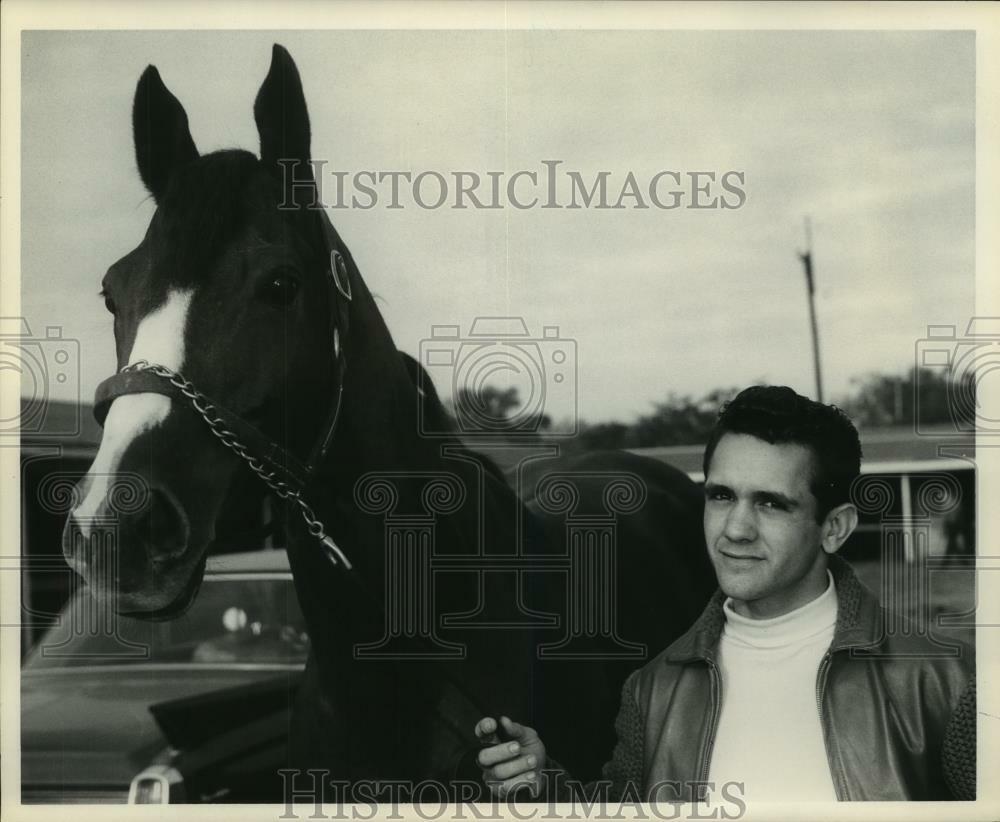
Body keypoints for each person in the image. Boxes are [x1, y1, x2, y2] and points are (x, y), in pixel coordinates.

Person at [475, 386, 976, 803]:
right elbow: (620, 812)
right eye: (721, 496)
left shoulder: (949, 683)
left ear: (836, 527)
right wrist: (542, 785)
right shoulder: (651, 691)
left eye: (771, 504)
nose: (735, 529)